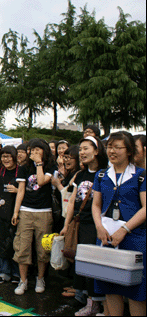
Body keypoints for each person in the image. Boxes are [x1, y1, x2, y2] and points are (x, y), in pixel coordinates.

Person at [92, 131, 146, 316]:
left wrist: (125, 229)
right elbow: (96, 205)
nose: (112, 151)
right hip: (106, 238)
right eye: (109, 147)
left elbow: (145, 208)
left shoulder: (141, 175)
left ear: (129, 151)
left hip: (134, 239)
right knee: (110, 288)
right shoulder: (101, 176)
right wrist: (99, 226)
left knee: (136, 292)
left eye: (117, 147)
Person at [60, 136, 108, 316]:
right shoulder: (80, 174)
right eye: (80, 149)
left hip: (96, 225)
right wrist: (67, 225)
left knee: (93, 266)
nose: (82, 152)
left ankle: (95, 304)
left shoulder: (104, 174)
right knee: (81, 263)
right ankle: (84, 298)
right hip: (80, 224)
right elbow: (72, 202)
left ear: (97, 151)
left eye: (86, 148)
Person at [11, 138, 56, 295]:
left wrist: (39, 164)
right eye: (32, 150)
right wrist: (16, 212)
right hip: (26, 211)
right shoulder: (23, 168)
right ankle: (23, 281)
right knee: (22, 247)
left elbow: (42, 181)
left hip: (44, 212)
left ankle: (40, 278)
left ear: (44, 151)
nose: (34, 153)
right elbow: (21, 190)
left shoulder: (50, 165)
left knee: (42, 249)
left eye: (38, 150)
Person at [0, 146, 20, 284]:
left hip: (15, 211)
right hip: (1, 210)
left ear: (14, 156)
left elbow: (26, 191)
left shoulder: (21, 171)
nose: (6, 159)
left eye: (8, 156)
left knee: (14, 243)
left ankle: (16, 273)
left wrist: (17, 190)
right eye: (3, 157)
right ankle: (4, 271)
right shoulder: (0, 171)